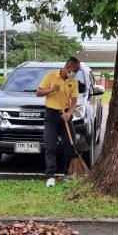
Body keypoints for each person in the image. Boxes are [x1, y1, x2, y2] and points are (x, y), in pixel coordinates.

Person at [36, 57, 80, 188]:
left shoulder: (74, 81)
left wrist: (69, 113)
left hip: (65, 115)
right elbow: (38, 92)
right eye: (74, 70)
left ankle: (67, 173)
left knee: (70, 145)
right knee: (50, 145)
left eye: (77, 71)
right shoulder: (50, 76)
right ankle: (50, 176)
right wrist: (51, 89)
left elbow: (74, 101)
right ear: (68, 67)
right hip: (51, 115)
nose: (75, 73)